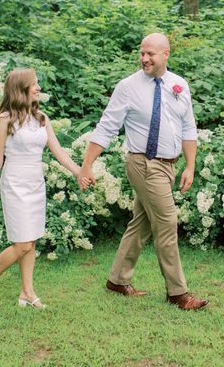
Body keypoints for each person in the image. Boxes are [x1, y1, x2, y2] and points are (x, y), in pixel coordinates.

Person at [77, 33, 209, 310]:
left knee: (142, 222)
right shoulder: (128, 87)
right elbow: (107, 126)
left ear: (166, 54)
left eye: (151, 53)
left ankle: (117, 280)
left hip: (169, 165)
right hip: (143, 163)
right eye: (142, 53)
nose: (145, 58)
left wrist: (190, 166)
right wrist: (87, 165)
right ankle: (178, 293)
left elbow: (188, 128)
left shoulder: (179, 85)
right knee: (167, 221)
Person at [0, 68, 89, 314]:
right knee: (22, 243)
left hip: (36, 184)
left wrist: (79, 172)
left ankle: (27, 292)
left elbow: (58, 151)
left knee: (31, 241)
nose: (38, 88)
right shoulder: (5, 119)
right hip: (14, 184)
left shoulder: (42, 118)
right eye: (34, 84)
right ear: (20, 89)